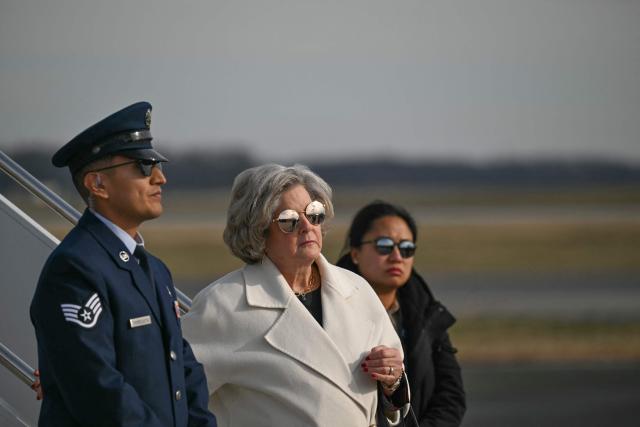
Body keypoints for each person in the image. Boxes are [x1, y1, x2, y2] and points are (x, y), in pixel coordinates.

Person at [30, 102, 217, 427]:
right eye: (144, 166)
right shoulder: (74, 270)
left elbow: (184, 371)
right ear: (97, 184)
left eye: (157, 164)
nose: (161, 178)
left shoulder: (155, 271)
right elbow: (97, 391)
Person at [182, 164, 410, 426]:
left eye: (314, 214)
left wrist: (394, 380)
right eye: (289, 220)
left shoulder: (357, 290)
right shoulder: (224, 304)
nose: (306, 226)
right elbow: (170, 394)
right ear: (258, 231)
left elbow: (394, 399)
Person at [337, 201, 466, 427]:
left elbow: (451, 396)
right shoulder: (330, 308)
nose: (397, 256)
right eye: (384, 245)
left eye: (407, 248)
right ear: (355, 253)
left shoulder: (427, 312)